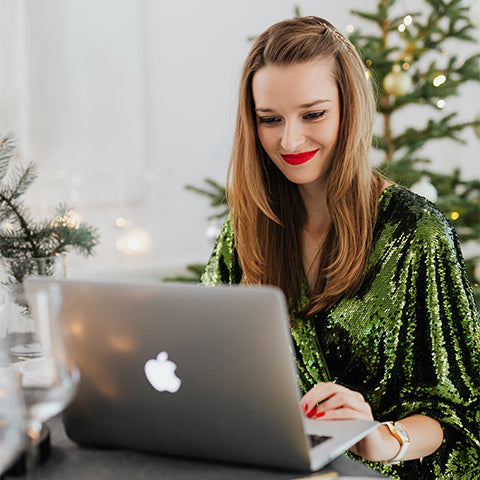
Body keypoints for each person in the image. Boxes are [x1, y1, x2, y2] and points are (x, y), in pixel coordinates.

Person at [201, 16, 480, 480]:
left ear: (349, 110)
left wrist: (379, 437)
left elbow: (462, 417)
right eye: (270, 119)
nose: (289, 140)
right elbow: (205, 358)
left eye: (313, 114)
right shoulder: (245, 229)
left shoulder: (416, 232)